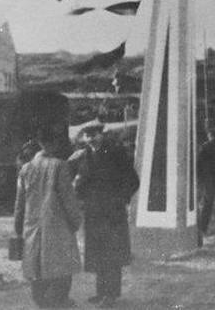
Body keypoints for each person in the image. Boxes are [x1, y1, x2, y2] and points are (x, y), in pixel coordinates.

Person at [69, 122, 140, 308]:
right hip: (93, 213)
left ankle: (111, 294)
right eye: (87, 135)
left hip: (112, 213)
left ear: (102, 134)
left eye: (95, 134)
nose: (91, 138)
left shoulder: (115, 153)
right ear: (84, 138)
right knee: (98, 253)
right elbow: (80, 181)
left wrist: (121, 199)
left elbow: (133, 180)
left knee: (112, 253)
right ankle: (101, 292)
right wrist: (80, 195)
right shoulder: (84, 156)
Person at [14, 125, 82, 309]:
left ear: (39, 143)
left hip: (31, 229)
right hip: (57, 229)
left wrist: (18, 230)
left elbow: (19, 206)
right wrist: (75, 223)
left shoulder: (25, 169)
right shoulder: (59, 166)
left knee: (36, 271)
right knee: (62, 271)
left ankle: (42, 304)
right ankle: (59, 303)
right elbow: (69, 201)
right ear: (55, 143)